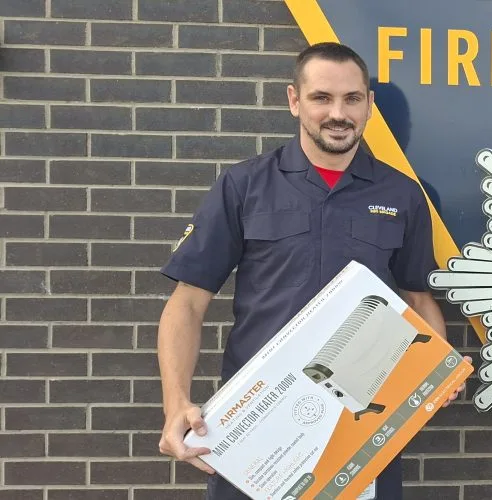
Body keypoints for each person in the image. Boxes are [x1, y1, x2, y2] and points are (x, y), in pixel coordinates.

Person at [155, 42, 468, 500]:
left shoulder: (402, 195)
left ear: (368, 104)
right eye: (322, 97)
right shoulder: (244, 186)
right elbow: (186, 304)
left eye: (352, 99)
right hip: (258, 426)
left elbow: (418, 299)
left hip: (361, 430)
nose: (338, 113)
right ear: (294, 100)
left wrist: (438, 373)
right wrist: (175, 403)